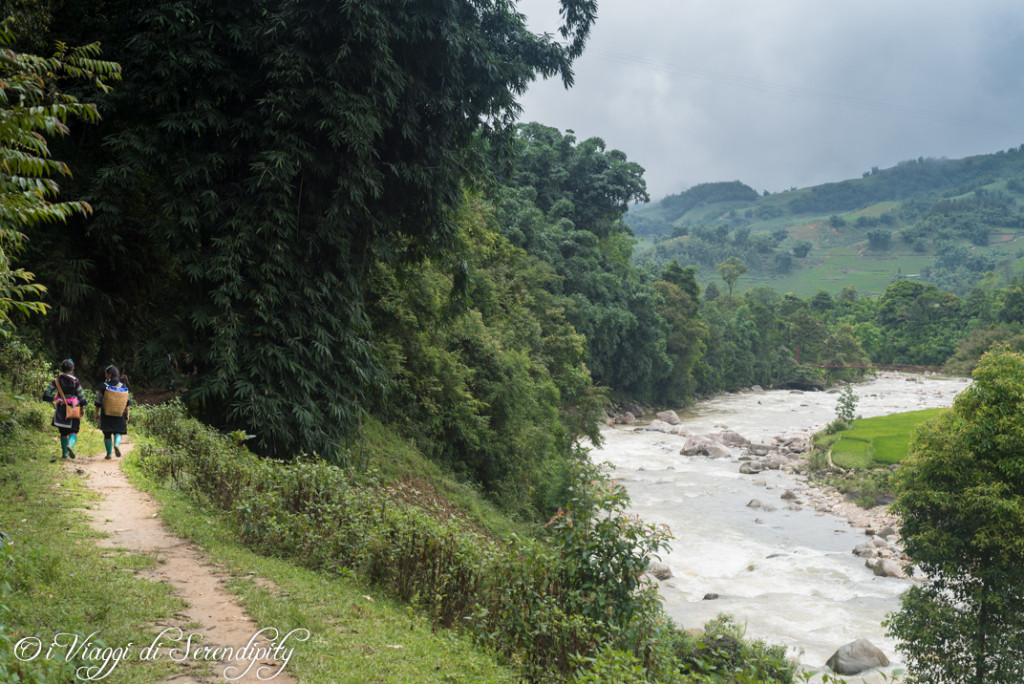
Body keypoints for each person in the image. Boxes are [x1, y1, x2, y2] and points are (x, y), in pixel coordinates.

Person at [42, 359, 86, 460]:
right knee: (73, 430)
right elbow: (81, 396)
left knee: (63, 433)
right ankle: (70, 446)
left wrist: (52, 401)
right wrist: (82, 407)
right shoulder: (75, 381)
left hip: (61, 407)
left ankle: (65, 454)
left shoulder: (57, 380)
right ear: (72, 369)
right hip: (73, 408)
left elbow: (47, 392)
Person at [95, 365, 130, 459]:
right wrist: (127, 414)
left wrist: (96, 414)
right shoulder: (123, 386)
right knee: (118, 432)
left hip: (106, 414)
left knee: (107, 434)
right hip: (119, 414)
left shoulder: (103, 386)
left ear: (109, 375)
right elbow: (127, 402)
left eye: (106, 373)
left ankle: (109, 454)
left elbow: (98, 401)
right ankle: (117, 445)